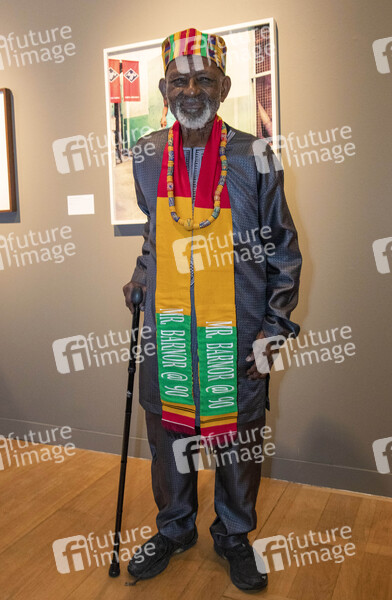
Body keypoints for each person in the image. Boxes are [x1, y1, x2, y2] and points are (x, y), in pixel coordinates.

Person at [122, 27, 302, 592]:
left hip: (239, 329)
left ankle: (234, 535)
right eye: (179, 81)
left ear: (224, 87)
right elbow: (155, 233)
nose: (191, 91)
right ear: (163, 89)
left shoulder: (255, 155)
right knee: (167, 434)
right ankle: (175, 528)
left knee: (237, 437)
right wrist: (141, 274)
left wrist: (274, 327)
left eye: (204, 79)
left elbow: (283, 248)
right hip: (170, 326)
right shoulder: (148, 154)